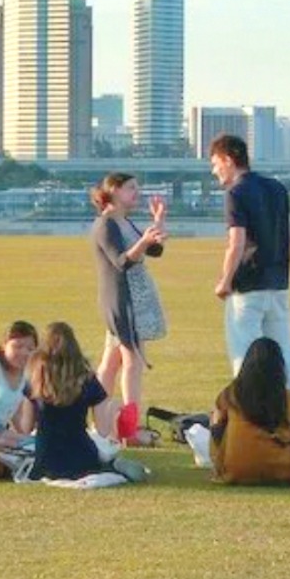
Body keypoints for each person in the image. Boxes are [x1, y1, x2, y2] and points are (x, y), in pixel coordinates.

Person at [210, 133, 290, 419]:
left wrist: (225, 280)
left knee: (245, 357)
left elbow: (237, 242)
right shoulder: (277, 188)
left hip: (248, 287)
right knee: (284, 354)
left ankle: (251, 420)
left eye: (216, 163)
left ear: (229, 160)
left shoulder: (236, 194)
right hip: (278, 284)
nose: (214, 170)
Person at [90, 172, 168, 445]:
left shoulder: (123, 221)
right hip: (122, 298)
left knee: (110, 364)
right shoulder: (106, 224)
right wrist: (145, 241)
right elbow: (121, 261)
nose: (137, 192)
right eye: (131, 188)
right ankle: (127, 430)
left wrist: (157, 223)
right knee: (132, 360)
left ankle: (101, 424)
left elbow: (153, 252)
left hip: (135, 296)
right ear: (114, 191)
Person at [208, 337, 290, 486]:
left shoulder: (230, 394)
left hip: (236, 469)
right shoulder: (288, 398)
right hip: (280, 468)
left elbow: (216, 427)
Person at [26, 322, 117, 482]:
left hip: (45, 459)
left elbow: (25, 427)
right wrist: (113, 408)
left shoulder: (35, 381)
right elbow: (103, 430)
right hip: (81, 457)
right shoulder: (88, 380)